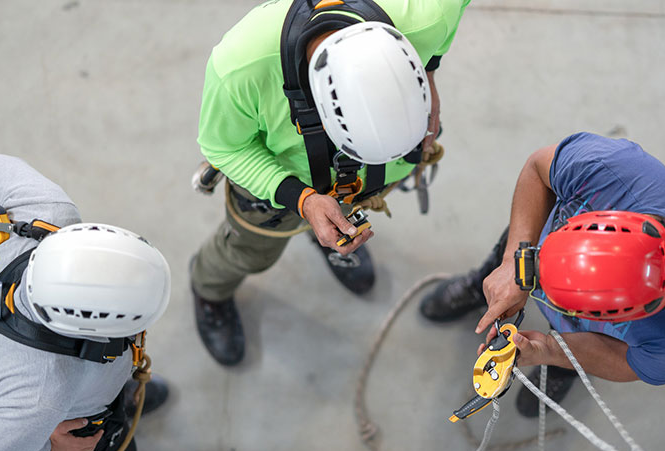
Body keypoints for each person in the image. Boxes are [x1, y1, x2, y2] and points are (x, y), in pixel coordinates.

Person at [191, 0, 470, 366]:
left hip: (363, 181)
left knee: (337, 214)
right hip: (279, 176)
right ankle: (210, 290)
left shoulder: (428, 14)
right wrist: (301, 199)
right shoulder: (242, 67)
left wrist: (428, 74)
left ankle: (325, 230)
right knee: (248, 251)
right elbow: (224, 148)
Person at [420, 132, 665, 417]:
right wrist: (514, 263)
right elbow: (538, 167)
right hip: (531, 242)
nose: (535, 284)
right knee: (503, 265)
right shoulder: (610, 170)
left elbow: (627, 362)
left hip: (583, 333)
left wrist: (551, 351)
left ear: (610, 314)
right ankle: (482, 287)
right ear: (598, 222)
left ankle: (562, 370)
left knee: (568, 350)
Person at [0, 155, 172, 451]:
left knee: (111, 388)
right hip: (82, 425)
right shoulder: (39, 399)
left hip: (89, 384)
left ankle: (121, 390)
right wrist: (49, 447)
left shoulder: (44, 213)